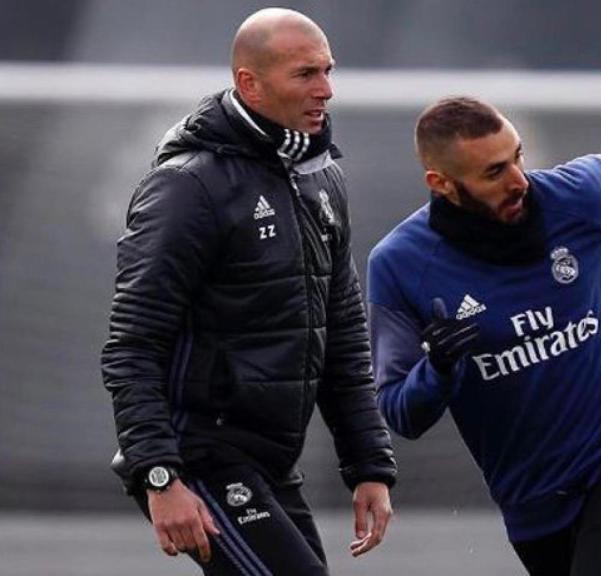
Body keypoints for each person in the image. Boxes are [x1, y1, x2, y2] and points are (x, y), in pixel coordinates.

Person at [367, 96, 601, 575]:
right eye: (494, 172)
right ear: (442, 184)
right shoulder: (399, 265)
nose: (519, 180)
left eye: (517, 156)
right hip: (533, 502)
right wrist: (437, 369)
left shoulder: (580, 193)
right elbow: (400, 410)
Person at [100, 8, 396, 575]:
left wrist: (369, 464)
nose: (326, 89)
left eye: (328, 71)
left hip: (270, 461)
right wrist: (159, 475)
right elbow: (132, 345)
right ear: (249, 83)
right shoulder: (188, 186)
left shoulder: (322, 176)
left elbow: (343, 333)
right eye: (305, 74)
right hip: (199, 459)